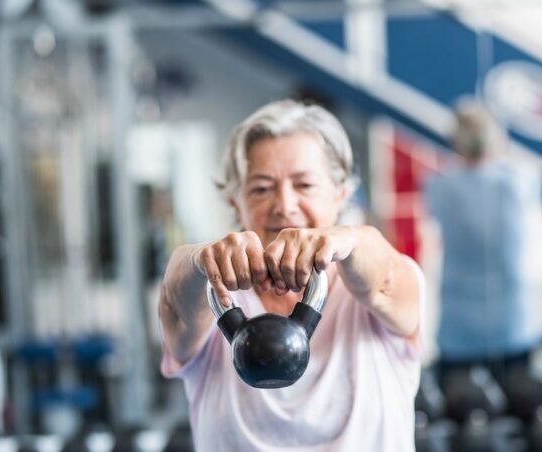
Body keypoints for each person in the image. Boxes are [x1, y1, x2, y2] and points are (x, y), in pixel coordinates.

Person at [158, 99, 423, 451]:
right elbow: (177, 299)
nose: (284, 204)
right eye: (261, 188)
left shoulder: (378, 287)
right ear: (236, 203)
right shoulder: (216, 296)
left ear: (341, 195)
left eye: (305, 185)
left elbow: (387, 279)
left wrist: (345, 238)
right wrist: (199, 260)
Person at [423, 100, 542, 390]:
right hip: (514, 325)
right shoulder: (520, 182)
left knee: (458, 420)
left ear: (456, 142)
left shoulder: (439, 187)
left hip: (459, 329)